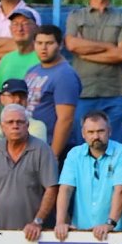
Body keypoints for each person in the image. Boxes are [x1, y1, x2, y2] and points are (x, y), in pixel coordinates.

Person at [0, 103, 58, 240]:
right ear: (3, 127)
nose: (15, 126)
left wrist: (37, 221)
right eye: (10, 122)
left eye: (20, 122)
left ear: (27, 126)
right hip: (4, 231)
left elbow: (52, 188)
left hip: (39, 232)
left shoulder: (42, 149)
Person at [66, 0, 122, 145]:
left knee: (115, 147)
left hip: (115, 93)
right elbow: (72, 44)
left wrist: (86, 53)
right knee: (83, 147)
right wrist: (110, 47)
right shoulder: (75, 16)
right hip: (83, 92)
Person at [0, 78, 48, 229]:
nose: (17, 99)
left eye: (22, 96)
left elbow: (32, 154)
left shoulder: (36, 125)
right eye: (12, 95)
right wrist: (16, 145)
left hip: (25, 195)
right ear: (2, 98)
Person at [55, 111, 122, 241]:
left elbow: (121, 190)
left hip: (115, 233)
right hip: (80, 232)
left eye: (100, 131)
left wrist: (110, 223)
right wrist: (60, 222)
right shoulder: (74, 154)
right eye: (91, 132)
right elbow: (65, 189)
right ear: (83, 134)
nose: (96, 136)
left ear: (109, 131)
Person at [25, 25, 82, 159]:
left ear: (60, 44)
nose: (43, 48)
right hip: (30, 143)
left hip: (51, 147)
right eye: (39, 43)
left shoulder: (65, 74)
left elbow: (66, 119)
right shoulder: (32, 70)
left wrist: (53, 156)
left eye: (49, 43)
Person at [0, 8, 39, 90]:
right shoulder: (6, 59)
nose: (19, 29)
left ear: (36, 28)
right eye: (15, 24)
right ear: (10, 29)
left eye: (25, 24)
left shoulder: (43, 58)